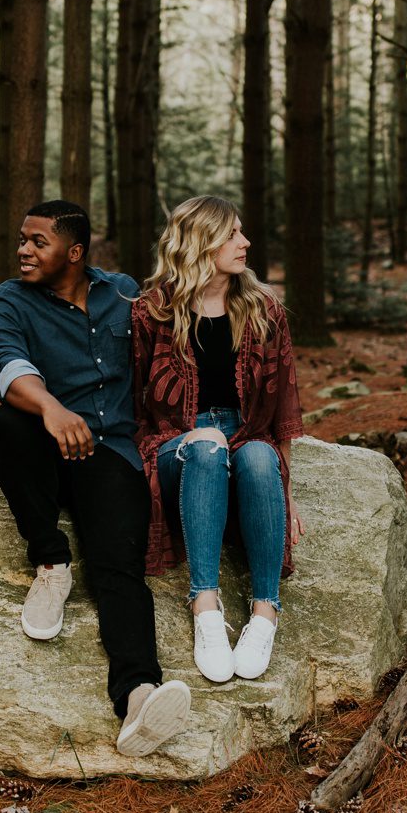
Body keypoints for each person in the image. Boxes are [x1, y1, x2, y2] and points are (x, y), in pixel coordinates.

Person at [0, 199, 191, 758]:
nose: (23, 250)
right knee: (9, 425)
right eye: (22, 239)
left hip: (111, 454)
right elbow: (3, 364)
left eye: (37, 242)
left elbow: (181, 324)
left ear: (74, 252)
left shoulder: (122, 292)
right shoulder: (5, 302)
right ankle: (50, 563)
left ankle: (139, 694)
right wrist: (50, 407)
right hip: (41, 447)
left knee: (118, 569)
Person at [131, 196, 305, 684]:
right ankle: (205, 607)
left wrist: (286, 493)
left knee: (255, 456)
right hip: (175, 446)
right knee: (205, 444)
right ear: (200, 241)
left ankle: (264, 611)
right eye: (232, 234)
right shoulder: (151, 313)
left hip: (246, 434)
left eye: (242, 232)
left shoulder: (264, 308)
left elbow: (286, 409)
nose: (245, 242)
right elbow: (130, 402)